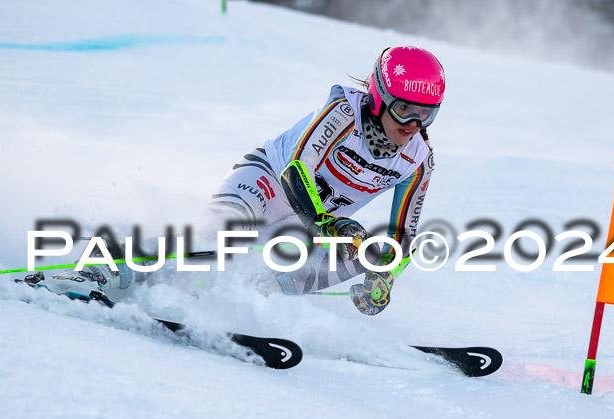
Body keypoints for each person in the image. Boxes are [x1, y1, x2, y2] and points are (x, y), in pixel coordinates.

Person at [26, 45, 445, 315]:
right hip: (265, 185)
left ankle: (248, 294)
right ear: (378, 97)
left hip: (303, 226)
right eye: (404, 109)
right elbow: (295, 170)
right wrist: (329, 223)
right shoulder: (343, 113)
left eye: (426, 113)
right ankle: (104, 271)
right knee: (220, 238)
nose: (413, 123)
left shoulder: (418, 160)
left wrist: (383, 276)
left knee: (366, 254)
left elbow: (403, 235)